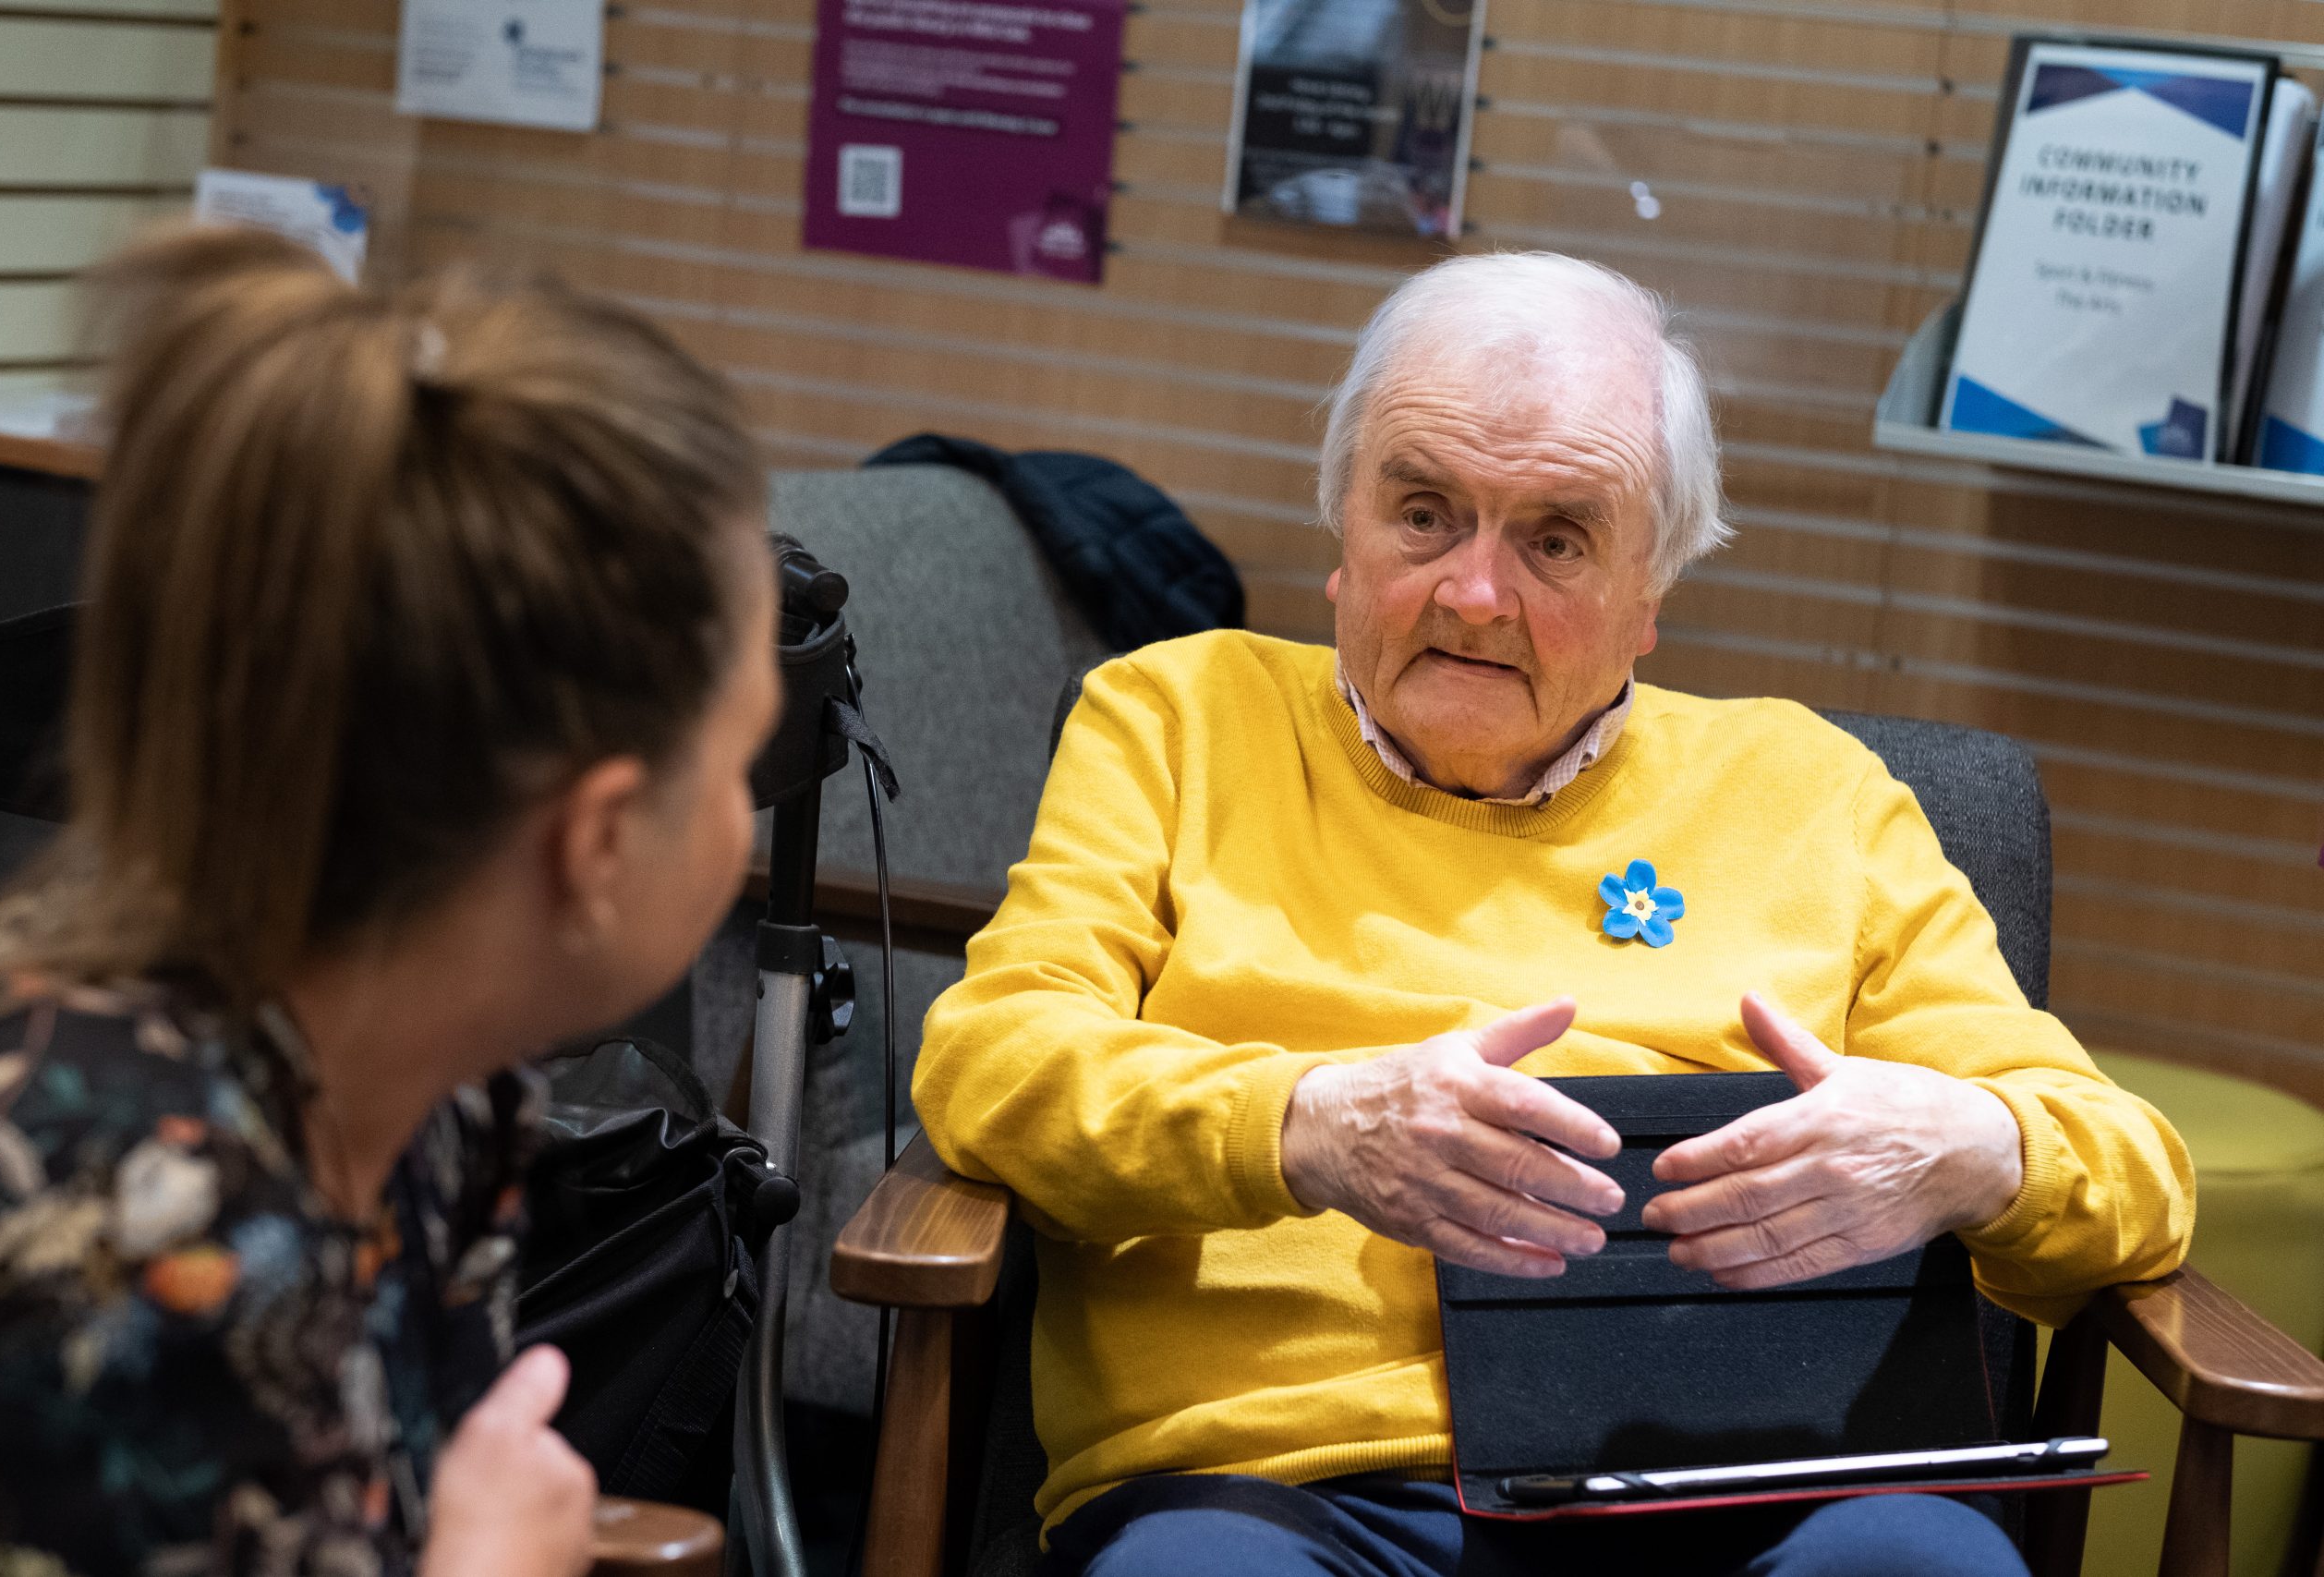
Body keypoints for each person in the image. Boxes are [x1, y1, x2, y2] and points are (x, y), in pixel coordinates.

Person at [914, 251, 2196, 1577]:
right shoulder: (1175, 720)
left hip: (1744, 1493)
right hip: (1271, 1486)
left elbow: (2133, 1174)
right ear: (1341, 533)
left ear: (1652, 594)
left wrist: (1976, 1150)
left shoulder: (1817, 797)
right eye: (1424, 514)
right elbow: (993, 1065)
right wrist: (1303, 1129)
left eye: (1556, 539)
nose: (1475, 592)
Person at [0, 224, 779, 1577]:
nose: (746, 816)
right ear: (598, 840)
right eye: (740, 757)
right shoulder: (124, 1221)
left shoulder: (436, 1109)